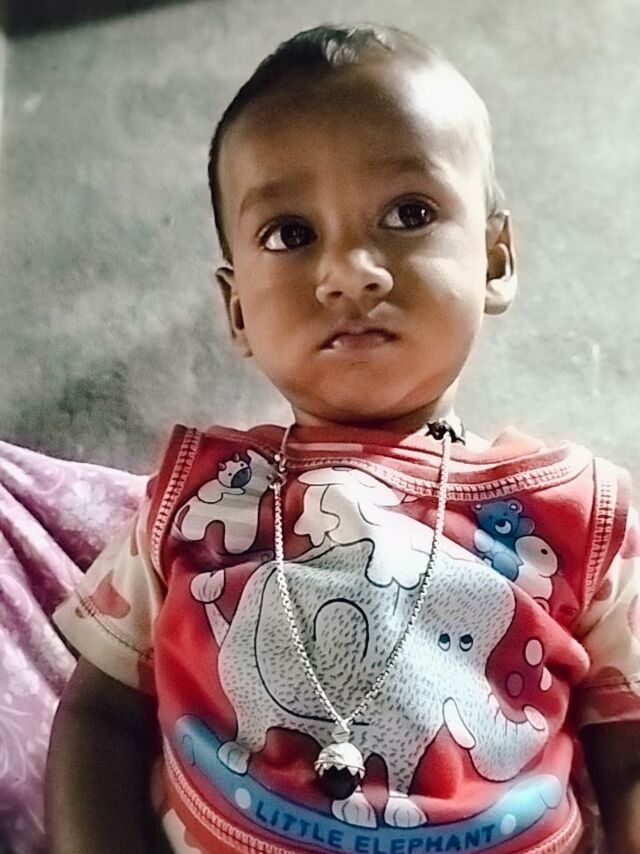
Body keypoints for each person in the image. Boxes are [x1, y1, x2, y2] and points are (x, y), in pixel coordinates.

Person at [45, 22, 640, 854]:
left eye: (408, 213)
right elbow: (100, 716)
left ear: (495, 260)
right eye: (291, 234)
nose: (350, 271)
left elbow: (629, 750)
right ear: (238, 311)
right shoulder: (200, 496)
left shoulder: (579, 512)